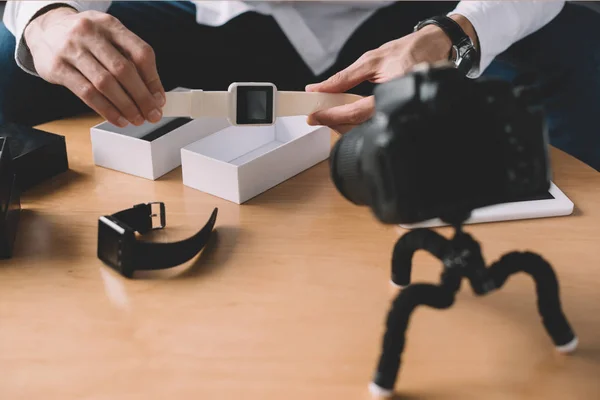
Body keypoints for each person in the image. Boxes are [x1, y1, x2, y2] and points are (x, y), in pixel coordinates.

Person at [1, 1, 597, 170]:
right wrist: (46, 15)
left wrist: (455, 32)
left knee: (581, 52)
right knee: (12, 54)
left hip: (396, 22)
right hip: (194, 16)